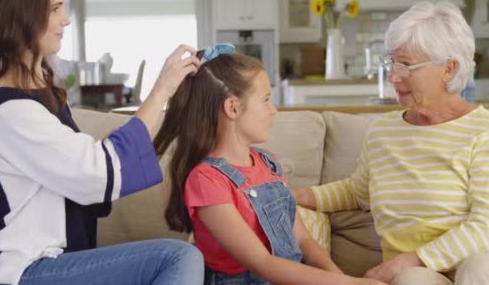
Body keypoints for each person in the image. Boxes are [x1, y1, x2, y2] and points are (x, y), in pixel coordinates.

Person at [0, 0, 204, 284]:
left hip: (55, 264)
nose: (66, 19)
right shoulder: (11, 109)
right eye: (55, 8)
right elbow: (97, 173)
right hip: (25, 272)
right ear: (19, 15)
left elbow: (87, 168)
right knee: (179, 257)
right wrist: (161, 90)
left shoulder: (37, 96)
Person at [293, 0, 489, 285]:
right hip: (425, 271)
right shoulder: (383, 131)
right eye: (391, 62)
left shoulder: (485, 131)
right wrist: (296, 196)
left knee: (477, 268)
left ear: (449, 69)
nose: (393, 76)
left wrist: (414, 258)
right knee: (411, 281)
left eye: (406, 65)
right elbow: (359, 192)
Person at [153, 44, 387, 285]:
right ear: (233, 108)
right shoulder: (206, 181)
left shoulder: (268, 164)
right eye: (265, 100)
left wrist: (341, 280)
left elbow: (304, 241)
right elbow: (262, 264)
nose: (273, 110)